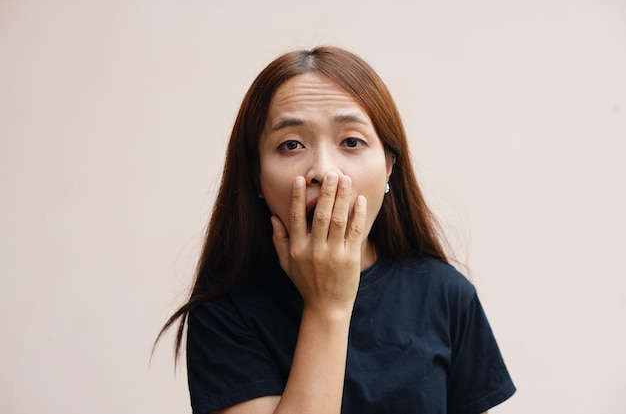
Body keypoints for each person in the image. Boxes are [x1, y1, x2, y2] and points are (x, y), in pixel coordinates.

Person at [157, 46, 516, 414]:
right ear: (256, 174)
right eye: (291, 144)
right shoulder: (225, 311)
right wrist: (327, 306)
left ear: (390, 166)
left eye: (351, 142)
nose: (325, 171)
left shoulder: (446, 295)